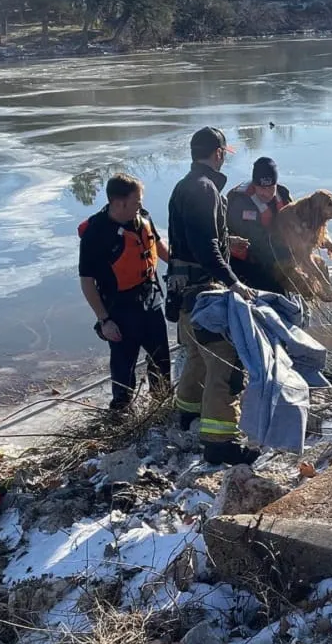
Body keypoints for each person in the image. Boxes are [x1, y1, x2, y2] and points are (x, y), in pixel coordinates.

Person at [165, 127, 260, 466]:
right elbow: (205, 250)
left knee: (196, 356)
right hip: (204, 293)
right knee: (226, 362)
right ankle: (220, 443)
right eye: (224, 154)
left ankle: (188, 415)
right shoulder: (205, 189)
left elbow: (191, 239)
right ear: (218, 153)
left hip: (184, 294)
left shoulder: (185, 186)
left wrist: (226, 242)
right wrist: (234, 283)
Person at [78, 173, 173, 414]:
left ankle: (161, 406)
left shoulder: (142, 218)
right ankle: (121, 414)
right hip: (120, 311)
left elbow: (157, 245)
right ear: (119, 203)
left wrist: (179, 265)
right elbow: (87, 282)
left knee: (161, 361)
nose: (140, 205)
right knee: (123, 370)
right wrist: (104, 320)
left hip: (151, 300)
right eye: (136, 201)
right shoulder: (96, 233)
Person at [226, 157, 293, 294]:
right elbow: (256, 243)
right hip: (246, 262)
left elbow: (295, 223)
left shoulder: (283, 194)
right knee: (277, 293)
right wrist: (287, 257)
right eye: (262, 188)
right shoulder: (240, 202)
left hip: (274, 255)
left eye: (270, 188)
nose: (266, 193)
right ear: (254, 184)